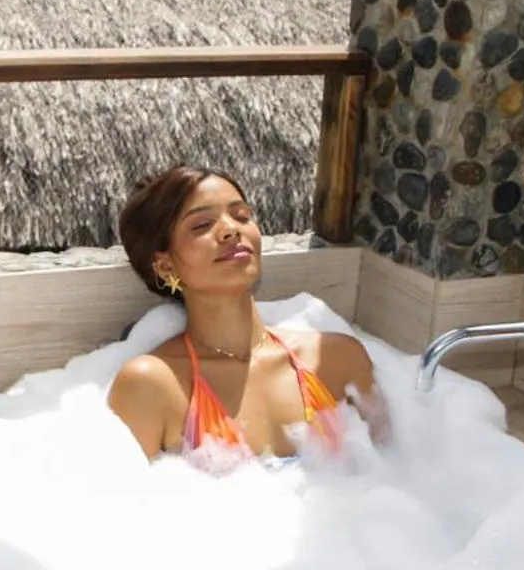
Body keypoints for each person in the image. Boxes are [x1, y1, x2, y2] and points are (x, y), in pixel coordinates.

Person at [106, 166, 387, 464]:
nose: (231, 229)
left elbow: (394, 467)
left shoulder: (337, 359)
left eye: (241, 216)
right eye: (201, 225)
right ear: (165, 267)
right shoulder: (151, 385)